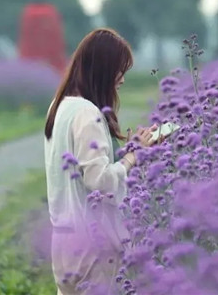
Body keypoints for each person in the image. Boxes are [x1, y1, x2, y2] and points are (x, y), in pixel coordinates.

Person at [44, 28, 156, 294]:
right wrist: (132, 157)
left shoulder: (59, 107)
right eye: (120, 70)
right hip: (93, 246)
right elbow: (99, 180)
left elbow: (83, 165)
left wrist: (129, 148)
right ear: (104, 69)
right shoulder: (88, 113)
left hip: (63, 242)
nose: (122, 80)